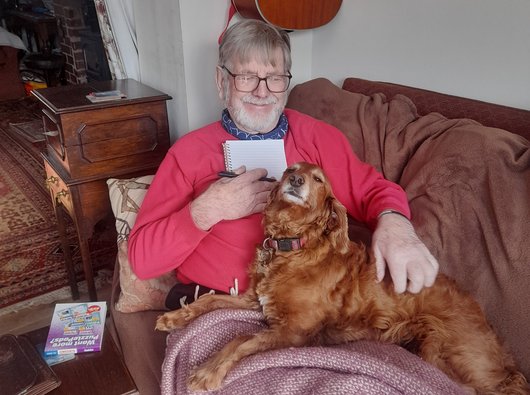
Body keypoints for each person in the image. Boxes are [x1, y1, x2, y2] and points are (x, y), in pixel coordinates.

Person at [128, 19, 439, 302]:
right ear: (221, 81)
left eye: (274, 78)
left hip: (302, 300)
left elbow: (373, 190)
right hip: (215, 302)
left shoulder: (317, 137)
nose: (263, 92)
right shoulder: (188, 152)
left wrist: (396, 224)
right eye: (247, 77)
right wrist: (207, 210)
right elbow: (143, 260)